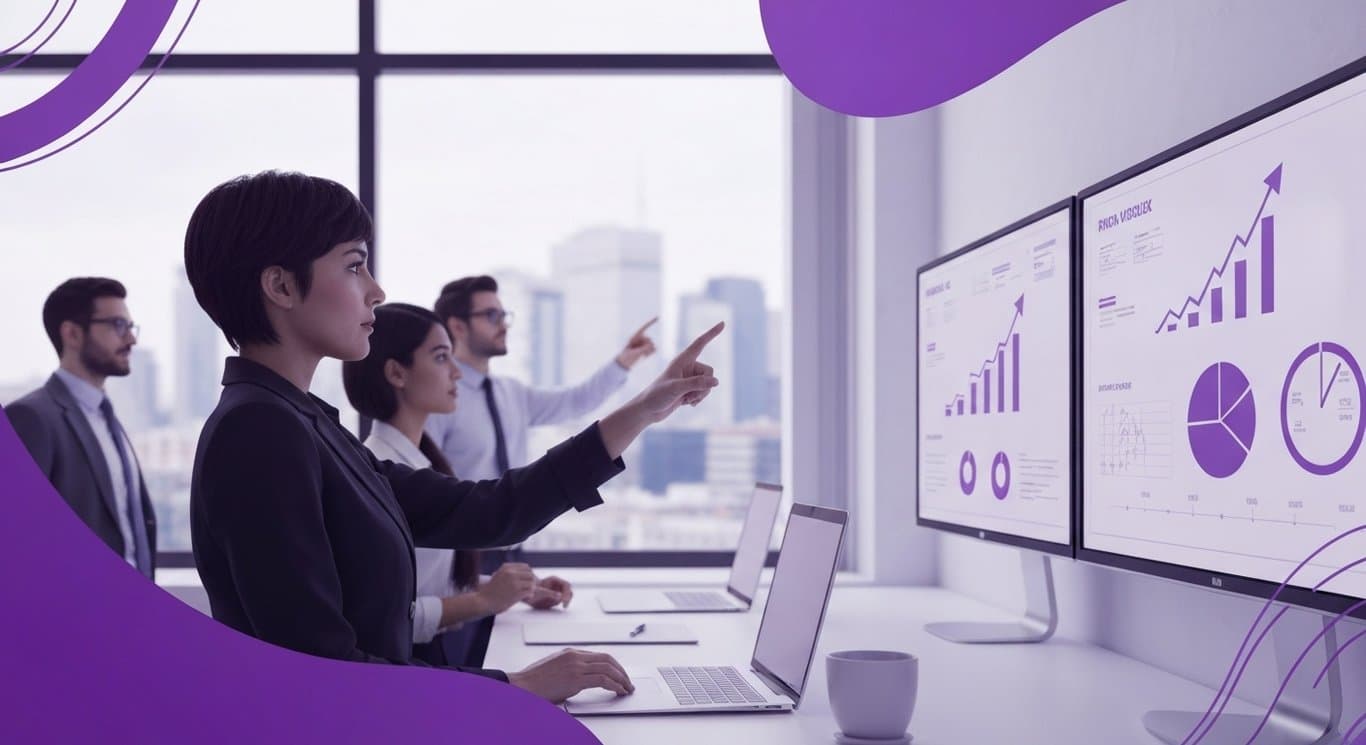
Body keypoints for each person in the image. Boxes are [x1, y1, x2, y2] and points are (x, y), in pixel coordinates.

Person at [183, 170, 723, 702]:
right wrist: (518, 687)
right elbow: (324, 671)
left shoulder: (308, 423)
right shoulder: (259, 432)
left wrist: (646, 408)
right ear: (280, 285)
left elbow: (489, 510)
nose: (376, 290)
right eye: (354, 267)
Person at [343, 303, 572, 668]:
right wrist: (484, 601)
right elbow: (389, 618)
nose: (456, 374)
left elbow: (431, 588)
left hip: (433, 655)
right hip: (407, 667)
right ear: (396, 373)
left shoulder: (422, 464)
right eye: (440, 357)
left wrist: (515, 590)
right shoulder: (382, 477)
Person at [427, 275, 657, 572]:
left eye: (504, 315)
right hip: (459, 553)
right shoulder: (438, 400)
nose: (504, 324)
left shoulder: (511, 392)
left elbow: (576, 402)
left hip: (511, 549)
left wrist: (624, 361)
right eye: (491, 315)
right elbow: (427, 484)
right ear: (457, 326)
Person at [7, 277, 157, 579]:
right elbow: (16, 540)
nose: (131, 339)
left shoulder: (109, 418)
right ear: (72, 334)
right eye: (118, 325)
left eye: (130, 326)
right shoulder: (30, 418)